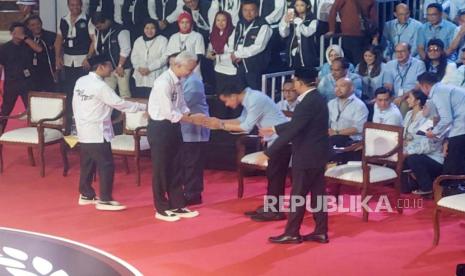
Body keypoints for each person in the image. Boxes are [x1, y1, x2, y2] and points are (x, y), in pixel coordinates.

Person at [256, 68, 330, 244]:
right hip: (318, 155)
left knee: (298, 195)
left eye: (294, 81)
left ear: (299, 82)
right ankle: (320, 231)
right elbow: (299, 123)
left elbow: (294, 129)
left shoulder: (306, 102)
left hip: (305, 156)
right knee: (318, 195)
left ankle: (292, 232)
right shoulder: (317, 98)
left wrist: (268, 152)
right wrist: (274, 129)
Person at [203, 76, 291, 222]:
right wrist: (218, 122)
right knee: (272, 175)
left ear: (233, 95)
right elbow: (241, 120)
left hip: (281, 140)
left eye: (226, 101)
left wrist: (220, 126)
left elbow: (245, 127)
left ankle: (275, 211)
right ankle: (271, 208)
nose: (226, 105)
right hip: (274, 140)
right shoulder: (249, 99)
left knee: (276, 177)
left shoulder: (255, 99)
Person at [73, 54, 147, 211]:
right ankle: (105, 200)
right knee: (106, 165)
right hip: (96, 130)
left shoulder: (81, 81)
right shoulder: (100, 87)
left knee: (87, 163)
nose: (111, 69)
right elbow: (119, 104)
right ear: (100, 67)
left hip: (83, 128)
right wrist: (143, 107)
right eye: (108, 66)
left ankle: (86, 194)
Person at [147, 51, 204, 222]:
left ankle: (177, 204)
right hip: (160, 128)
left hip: (174, 127)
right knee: (160, 168)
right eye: (189, 69)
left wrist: (194, 116)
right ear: (177, 65)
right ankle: (161, 207)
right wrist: (192, 119)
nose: (190, 73)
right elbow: (168, 112)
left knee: (176, 166)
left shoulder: (178, 81)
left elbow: (182, 105)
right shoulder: (163, 82)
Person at [417, 72, 465, 187]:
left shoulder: (438, 92)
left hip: (461, 128)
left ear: (425, 86)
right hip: (460, 126)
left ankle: (451, 192)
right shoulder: (444, 88)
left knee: (453, 163)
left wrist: (433, 132)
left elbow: (447, 119)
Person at [55, 0, 94, 134]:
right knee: (70, 91)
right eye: (72, 5)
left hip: (82, 61)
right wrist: (57, 57)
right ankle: (70, 125)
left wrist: (88, 57)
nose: (75, 7)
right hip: (67, 61)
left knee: (83, 92)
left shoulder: (88, 19)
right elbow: (59, 40)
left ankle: (85, 124)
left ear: (81, 5)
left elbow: (94, 40)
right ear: (68, 6)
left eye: (77, 5)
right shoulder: (63, 20)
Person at [0, 22, 42, 133]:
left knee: (32, 110)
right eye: (17, 32)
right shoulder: (5, 48)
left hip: (27, 83)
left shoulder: (28, 44)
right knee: (5, 110)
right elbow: (0, 66)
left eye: (22, 32)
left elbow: (39, 49)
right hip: (11, 83)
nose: (20, 34)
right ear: (12, 33)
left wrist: (25, 38)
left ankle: (36, 135)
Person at [402, 90, 444, 195]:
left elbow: (429, 147)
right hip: (415, 150)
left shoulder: (437, 126)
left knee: (413, 158)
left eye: (425, 107)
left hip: (434, 159)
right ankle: (411, 181)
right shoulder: (426, 121)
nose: (423, 108)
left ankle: (427, 188)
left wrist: (409, 152)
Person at [179, 73, 210, 206]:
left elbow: (184, 103)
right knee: (186, 163)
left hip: (194, 130)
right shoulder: (180, 80)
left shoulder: (193, 82)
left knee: (193, 163)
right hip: (184, 129)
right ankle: (186, 192)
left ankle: (193, 194)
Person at [229, 0, 272, 90]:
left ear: (257, 11)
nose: (248, 13)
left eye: (251, 10)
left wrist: (238, 54)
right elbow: (232, 40)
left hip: (255, 68)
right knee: (241, 94)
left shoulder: (263, 25)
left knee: (255, 96)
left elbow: (259, 47)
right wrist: (233, 53)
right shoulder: (240, 23)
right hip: (239, 65)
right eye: (245, 10)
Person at [327, 77, 368, 163]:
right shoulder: (331, 103)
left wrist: (337, 132)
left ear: (351, 88)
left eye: (342, 86)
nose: (338, 89)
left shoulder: (359, 106)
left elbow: (359, 128)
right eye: (336, 86)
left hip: (350, 140)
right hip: (332, 138)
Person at [91, 12, 132, 98]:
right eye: (96, 27)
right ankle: (109, 111)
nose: (98, 28)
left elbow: (126, 49)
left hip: (122, 67)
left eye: (99, 26)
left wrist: (120, 66)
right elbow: (98, 49)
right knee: (108, 92)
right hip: (108, 68)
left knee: (124, 93)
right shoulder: (98, 31)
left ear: (106, 21)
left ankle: (125, 111)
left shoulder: (121, 30)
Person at [326, 0, 377, 65]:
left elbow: (333, 11)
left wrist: (332, 30)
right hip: (358, 35)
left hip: (357, 35)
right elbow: (374, 20)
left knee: (354, 64)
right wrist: (375, 36)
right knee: (358, 63)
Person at [384, 42, 426, 116]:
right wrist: (390, 97)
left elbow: (418, 87)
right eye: (397, 52)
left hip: (410, 97)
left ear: (409, 52)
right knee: (381, 102)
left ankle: (402, 127)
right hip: (394, 96)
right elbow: (388, 86)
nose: (399, 54)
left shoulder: (419, 64)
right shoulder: (389, 65)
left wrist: (402, 97)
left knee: (403, 105)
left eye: (402, 51)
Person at [130, 19, 168, 98]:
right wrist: (139, 68)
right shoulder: (138, 40)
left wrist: (149, 68)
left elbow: (164, 58)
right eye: (147, 28)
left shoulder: (162, 40)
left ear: (156, 29)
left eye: (152, 28)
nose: (149, 31)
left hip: (157, 75)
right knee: (141, 100)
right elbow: (134, 57)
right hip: (140, 75)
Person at [279, 0, 318, 70]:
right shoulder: (289, 16)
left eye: (302, 5)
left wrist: (297, 20)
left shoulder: (312, 18)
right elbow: (284, 34)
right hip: (292, 51)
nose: (299, 8)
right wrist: (285, 22)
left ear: (308, 6)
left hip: (307, 51)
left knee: (306, 72)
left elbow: (308, 33)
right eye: (297, 5)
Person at [166, 12, 205, 77]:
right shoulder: (173, 37)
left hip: (192, 71)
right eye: (182, 22)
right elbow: (169, 56)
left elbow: (199, 55)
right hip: (176, 71)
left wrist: (188, 68)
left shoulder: (197, 36)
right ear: (178, 24)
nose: (184, 25)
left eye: (187, 22)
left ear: (191, 23)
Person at [25, 15, 57, 92]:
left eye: (38, 23)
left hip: (48, 72)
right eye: (32, 25)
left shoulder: (52, 36)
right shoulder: (27, 39)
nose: (36, 26)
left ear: (41, 23)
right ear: (28, 27)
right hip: (33, 74)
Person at [206, 11, 236, 90]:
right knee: (221, 96)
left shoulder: (233, 32)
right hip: (218, 68)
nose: (220, 23)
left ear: (228, 21)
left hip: (232, 70)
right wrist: (212, 55)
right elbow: (210, 50)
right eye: (218, 20)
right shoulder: (214, 33)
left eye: (223, 20)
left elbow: (232, 53)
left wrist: (216, 57)